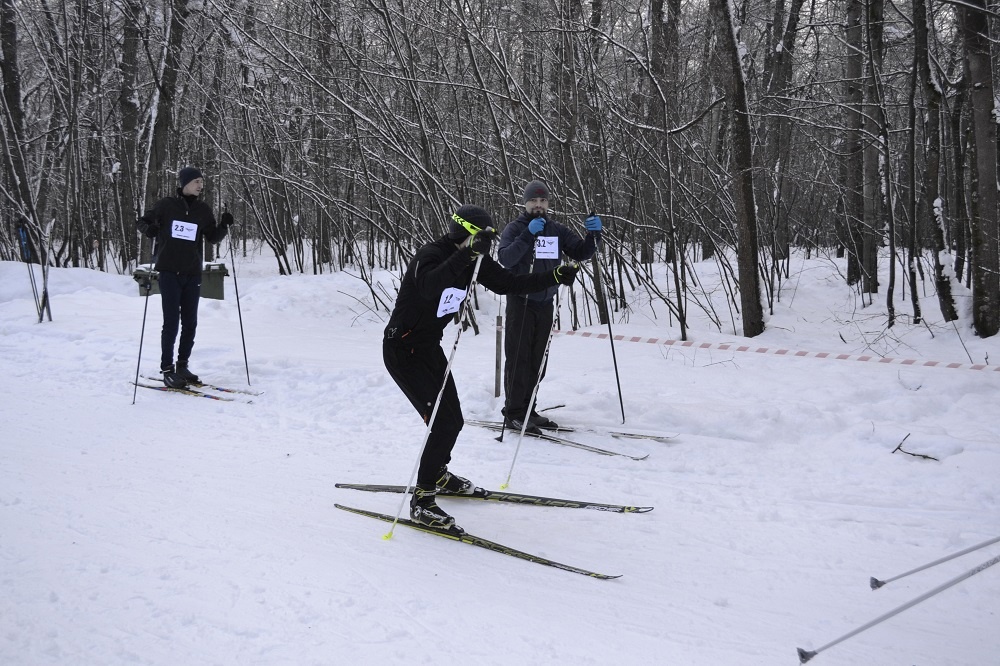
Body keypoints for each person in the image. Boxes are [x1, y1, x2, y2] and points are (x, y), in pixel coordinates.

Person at [383, 204, 579, 530]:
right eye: (482, 238)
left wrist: (553, 277)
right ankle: (422, 500)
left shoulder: (474, 261)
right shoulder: (430, 254)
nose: (486, 245)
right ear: (466, 233)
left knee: (454, 420)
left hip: (428, 349)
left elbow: (509, 283)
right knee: (443, 423)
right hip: (402, 351)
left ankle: (439, 474)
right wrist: (466, 254)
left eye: (489, 240)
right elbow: (430, 285)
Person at [497, 179, 602, 434]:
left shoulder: (556, 230)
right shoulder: (515, 228)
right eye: (533, 200)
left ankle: (528, 409)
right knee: (519, 359)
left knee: (537, 361)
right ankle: (513, 412)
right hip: (521, 302)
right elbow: (505, 258)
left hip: (545, 303)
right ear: (525, 203)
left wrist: (593, 234)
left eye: (543, 201)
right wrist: (528, 234)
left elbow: (580, 252)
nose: (538, 205)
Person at [137, 167, 233, 389]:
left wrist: (225, 226)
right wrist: (149, 229)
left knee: (190, 322)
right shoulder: (166, 205)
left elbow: (212, 238)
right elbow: (142, 221)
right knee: (171, 322)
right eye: (196, 181)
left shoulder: (202, 210)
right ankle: (167, 369)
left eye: (202, 181)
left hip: (192, 273)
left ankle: (182, 365)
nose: (200, 185)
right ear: (184, 183)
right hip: (169, 272)